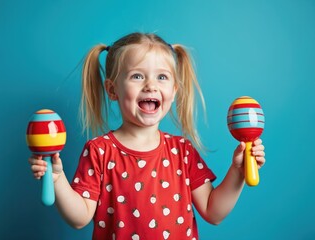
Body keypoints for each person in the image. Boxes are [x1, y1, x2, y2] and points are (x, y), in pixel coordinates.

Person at [29, 32, 266, 240]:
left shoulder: (182, 151)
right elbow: (79, 217)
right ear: (112, 90)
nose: (151, 86)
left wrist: (238, 172)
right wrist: (57, 179)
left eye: (161, 77)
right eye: (137, 76)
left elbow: (213, 212)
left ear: (173, 91)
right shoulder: (99, 150)